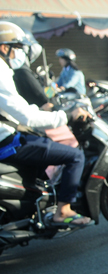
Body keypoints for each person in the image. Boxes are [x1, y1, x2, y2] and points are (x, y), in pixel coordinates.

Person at [0, 21, 92, 226]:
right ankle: (64, 210)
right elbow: (38, 103)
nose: (20, 53)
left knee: (43, 142)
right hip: (12, 136)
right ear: (5, 48)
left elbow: (49, 90)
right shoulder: (8, 72)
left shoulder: (71, 71)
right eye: (17, 48)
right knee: (75, 155)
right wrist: (66, 114)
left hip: (19, 125)